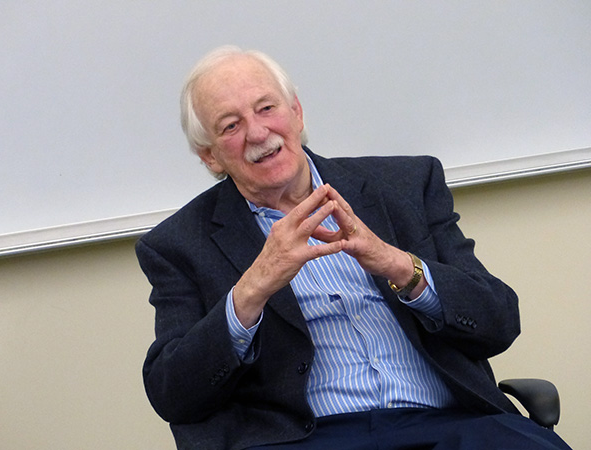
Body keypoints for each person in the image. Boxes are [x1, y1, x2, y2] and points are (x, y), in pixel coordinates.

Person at [136, 45, 570, 449]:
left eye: (266, 108)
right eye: (231, 125)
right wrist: (252, 290)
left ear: (296, 113)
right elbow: (174, 394)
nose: (257, 132)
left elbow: (498, 322)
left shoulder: (405, 187)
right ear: (210, 156)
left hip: (449, 426)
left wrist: (398, 265)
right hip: (308, 439)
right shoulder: (178, 245)